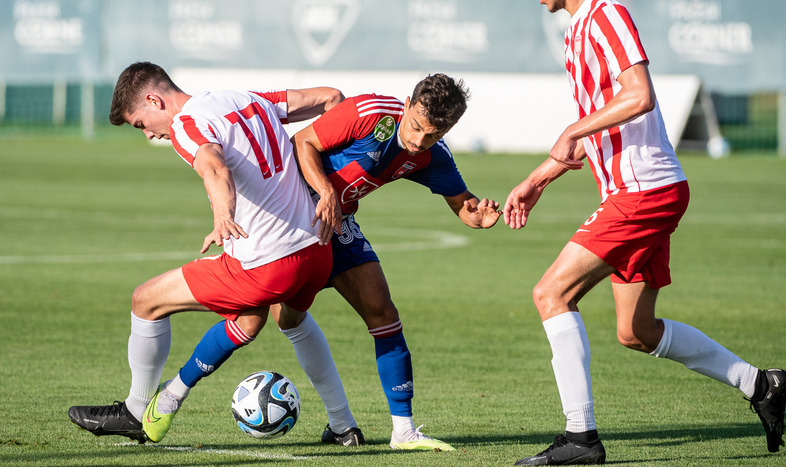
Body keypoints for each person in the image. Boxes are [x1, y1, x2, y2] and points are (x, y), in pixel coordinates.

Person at [497, 0, 786, 465]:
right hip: (643, 191)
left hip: (642, 192)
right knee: (636, 330)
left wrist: (573, 129)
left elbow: (639, 96)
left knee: (550, 294)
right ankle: (760, 384)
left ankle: (581, 439)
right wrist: (536, 180)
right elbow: (595, 130)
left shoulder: (605, 16)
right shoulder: (576, 33)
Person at [67, 62, 363, 445]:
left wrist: (223, 216)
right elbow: (331, 99)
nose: (148, 134)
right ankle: (343, 425)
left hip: (267, 263)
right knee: (276, 318)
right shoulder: (246, 98)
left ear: (154, 100)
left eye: (141, 124)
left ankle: (136, 411)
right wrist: (332, 177)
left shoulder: (186, 124)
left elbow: (216, 169)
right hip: (316, 251)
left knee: (145, 300)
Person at [284, 72, 503, 451]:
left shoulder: (432, 154)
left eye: (432, 135)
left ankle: (403, 431)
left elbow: (463, 203)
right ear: (406, 105)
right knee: (262, 319)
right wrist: (326, 192)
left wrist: (477, 216)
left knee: (383, 312)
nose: (419, 141)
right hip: (285, 214)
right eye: (415, 126)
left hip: (337, 223)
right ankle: (166, 399)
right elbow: (301, 142)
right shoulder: (368, 112)